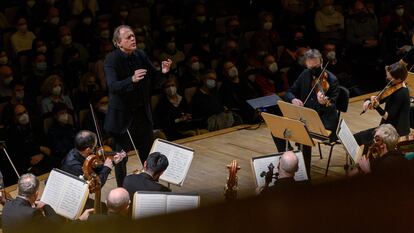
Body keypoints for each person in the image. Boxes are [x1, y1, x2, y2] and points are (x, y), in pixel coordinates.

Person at [104, 25, 172, 187]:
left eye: (133, 36)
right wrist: (131, 80)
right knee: (121, 157)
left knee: (146, 153)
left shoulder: (140, 55)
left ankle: (150, 185)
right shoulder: (111, 59)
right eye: (128, 37)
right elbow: (112, 86)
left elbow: (154, 78)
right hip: (123, 118)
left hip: (142, 114)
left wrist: (163, 72)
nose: (133, 39)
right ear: (118, 43)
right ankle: (122, 189)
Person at [283, 49, 339, 178]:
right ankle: (290, 157)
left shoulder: (332, 80)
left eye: (317, 67)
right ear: (307, 66)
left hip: (323, 121)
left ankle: (304, 175)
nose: (314, 71)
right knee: (278, 129)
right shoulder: (305, 74)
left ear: (322, 62)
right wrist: (293, 99)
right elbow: (289, 92)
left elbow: (332, 108)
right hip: (304, 117)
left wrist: (323, 103)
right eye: (311, 68)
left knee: (303, 137)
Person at [354, 61, 410, 149]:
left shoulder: (402, 93)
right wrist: (368, 100)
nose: (387, 78)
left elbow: (387, 117)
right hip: (387, 127)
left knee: (367, 145)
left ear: (399, 79)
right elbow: (380, 98)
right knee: (357, 137)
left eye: (389, 78)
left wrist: (377, 107)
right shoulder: (392, 85)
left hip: (395, 132)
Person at [61, 130, 126, 187]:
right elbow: (97, 184)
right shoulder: (75, 167)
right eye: (95, 146)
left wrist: (113, 162)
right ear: (88, 149)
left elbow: (96, 169)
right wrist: (107, 168)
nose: (97, 147)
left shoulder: (78, 151)